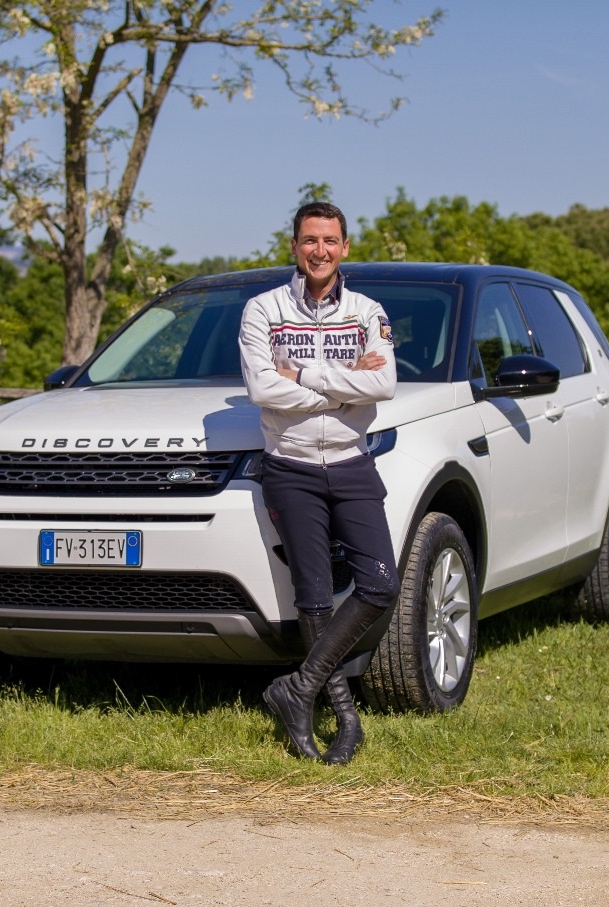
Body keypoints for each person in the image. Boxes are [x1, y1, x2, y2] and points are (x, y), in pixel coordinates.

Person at [238, 202, 399, 764]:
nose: (320, 251)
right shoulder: (263, 310)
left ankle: (298, 687)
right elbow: (263, 389)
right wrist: (344, 385)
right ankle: (345, 722)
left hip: (353, 461)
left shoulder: (366, 311)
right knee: (312, 596)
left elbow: (383, 383)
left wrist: (303, 375)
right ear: (295, 246)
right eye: (310, 241)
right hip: (290, 466)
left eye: (330, 241)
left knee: (380, 583)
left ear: (345, 247)